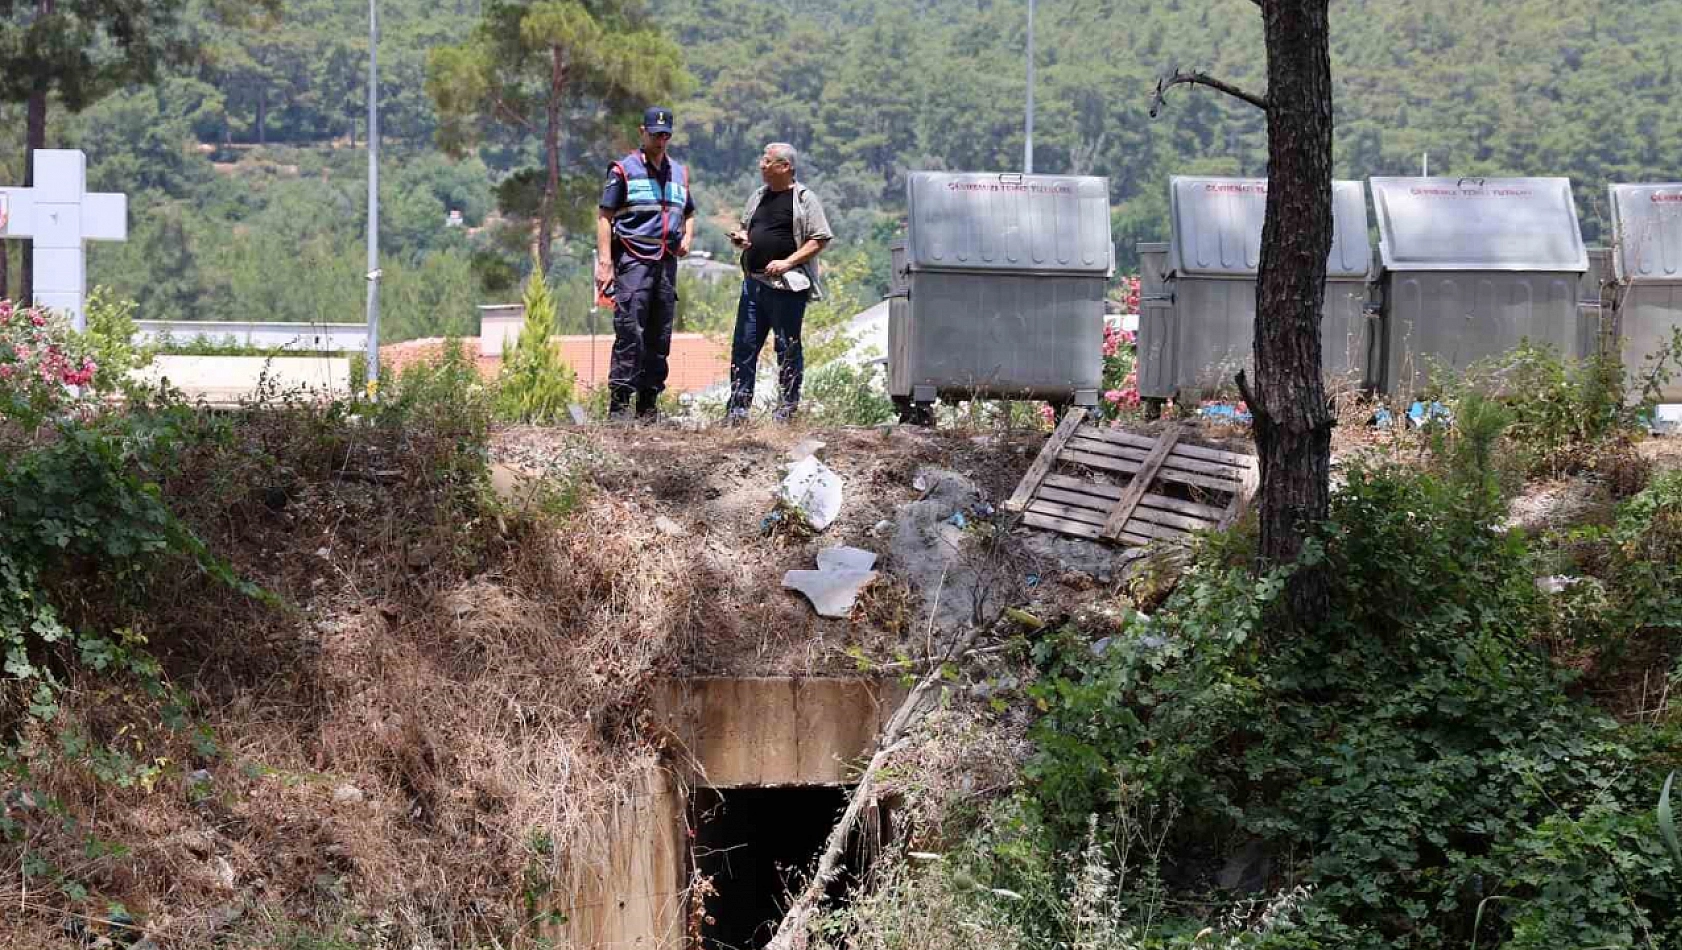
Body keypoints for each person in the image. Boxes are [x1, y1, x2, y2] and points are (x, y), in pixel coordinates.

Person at [597, 106, 696, 421]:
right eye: (655, 134)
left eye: (666, 134)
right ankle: (619, 406)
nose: (661, 140)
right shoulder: (623, 170)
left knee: (660, 334)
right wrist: (605, 262)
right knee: (631, 331)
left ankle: (649, 406)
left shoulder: (679, 172)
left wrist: (688, 239)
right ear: (643, 132)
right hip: (633, 259)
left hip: (666, 263)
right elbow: (604, 216)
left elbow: (690, 213)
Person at [725, 142, 832, 424]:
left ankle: (786, 411)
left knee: (787, 347)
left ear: (784, 167)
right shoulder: (758, 196)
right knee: (744, 347)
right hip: (753, 284)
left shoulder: (805, 199)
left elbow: (819, 238)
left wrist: (788, 262)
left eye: (767, 160)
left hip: (786, 287)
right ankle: (737, 411)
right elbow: (747, 228)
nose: (762, 165)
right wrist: (742, 238)